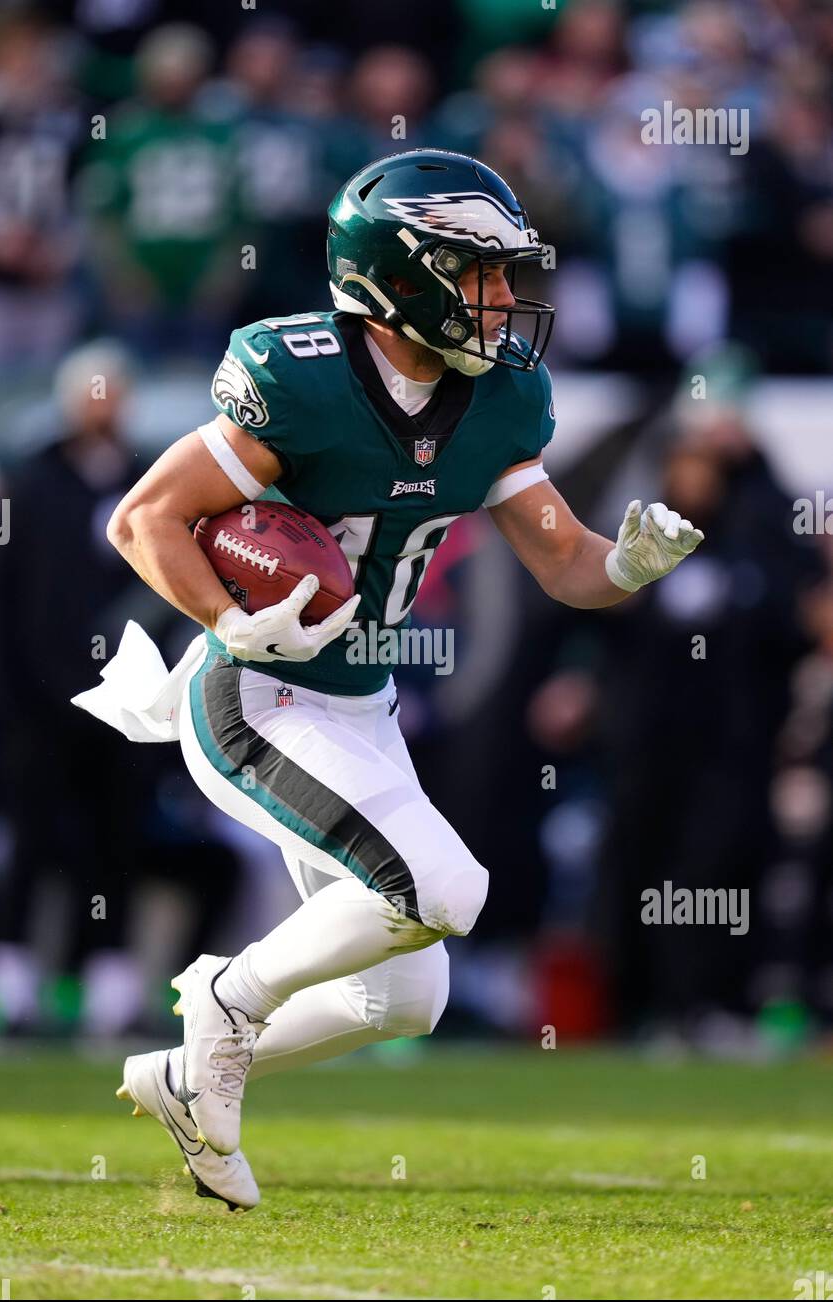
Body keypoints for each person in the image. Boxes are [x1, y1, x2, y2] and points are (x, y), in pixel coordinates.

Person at [78, 149, 704, 1211]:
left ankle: (185, 1074)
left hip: (359, 703)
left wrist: (627, 565)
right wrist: (232, 618)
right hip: (251, 692)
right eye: (479, 273)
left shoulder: (499, 397)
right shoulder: (303, 378)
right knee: (444, 887)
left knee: (404, 994)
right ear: (399, 276)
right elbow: (142, 518)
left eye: (507, 273)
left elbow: (564, 561)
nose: (504, 299)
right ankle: (224, 1003)